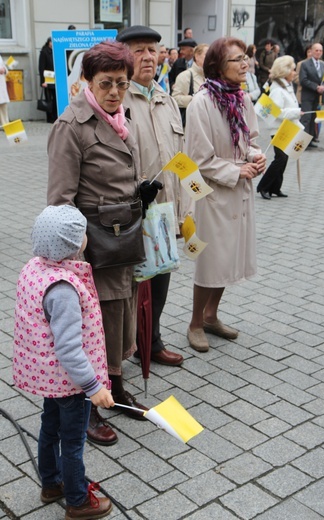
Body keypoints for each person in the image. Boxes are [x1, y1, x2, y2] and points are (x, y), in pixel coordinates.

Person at [47, 41, 159, 447]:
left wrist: (139, 195)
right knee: (96, 326)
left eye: (122, 84)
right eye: (106, 83)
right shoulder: (71, 126)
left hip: (124, 240)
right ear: (87, 82)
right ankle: (88, 406)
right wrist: (71, 263)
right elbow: (59, 201)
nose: (115, 92)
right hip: (92, 247)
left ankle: (116, 386)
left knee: (123, 317)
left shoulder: (119, 119)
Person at [12, 205, 114, 519]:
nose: (86, 236)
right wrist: (93, 386)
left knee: (49, 429)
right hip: (71, 382)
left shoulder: (35, 267)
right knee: (72, 442)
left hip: (50, 378)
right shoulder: (63, 289)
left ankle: (51, 483)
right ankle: (77, 500)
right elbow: (69, 349)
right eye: (82, 232)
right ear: (72, 245)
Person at [184, 37, 266, 352]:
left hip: (239, 193)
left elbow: (251, 140)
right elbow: (197, 159)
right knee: (211, 260)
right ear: (218, 66)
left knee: (229, 256)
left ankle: (211, 315)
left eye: (246, 57)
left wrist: (256, 156)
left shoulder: (241, 99)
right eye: (237, 59)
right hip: (212, 195)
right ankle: (194, 323)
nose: (245, 64)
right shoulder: (201, 103)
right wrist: (236, 171)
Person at [116, 25, 190, 367]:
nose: (148, 56)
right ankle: (122, 352)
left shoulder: (166, 99)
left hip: (163, 210)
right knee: (128, 288)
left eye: (153, 50)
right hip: (130, 212)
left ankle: (152, 340)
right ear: (123, 56)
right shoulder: (116, 100)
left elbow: (181, 157)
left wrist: (186, 208)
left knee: (161, 278)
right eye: (139, 50)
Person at [256, 56, 301, 200]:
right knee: (280, 159)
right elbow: (276, 111)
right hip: (278, 129)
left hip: (287, 127)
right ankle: (263, 186)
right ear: (285, 71)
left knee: (284, 158)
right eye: (293, 70)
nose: (294, 73)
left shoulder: (286, 85)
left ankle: (275, 188)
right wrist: (296, 112)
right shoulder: (277, 89)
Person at [172, 43, 209, 126]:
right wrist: (194, 99)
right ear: (197, 56)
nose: (210, 58)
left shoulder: (210, 77)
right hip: (191, 126)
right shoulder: (185, 76)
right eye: (206, 55)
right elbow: (175, 99)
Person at [299, 42, 324, 148]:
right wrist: (316, 87)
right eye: (317, 50)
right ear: (312, 51)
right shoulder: (305, 64)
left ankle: (310, 140)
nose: (318, 52)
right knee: (306, 118)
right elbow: (303, 80)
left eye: (320, 51)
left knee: (313, 118)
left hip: (317, 97)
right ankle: (302, 141)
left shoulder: (323, 64)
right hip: (308, 95)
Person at [38, 37, 58, 123]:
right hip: (47, 79)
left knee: (55, 98)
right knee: (49, 99)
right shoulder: (44, 52)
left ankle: (55, 116)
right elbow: (41, 67)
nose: (52, 44)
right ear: (48, 42)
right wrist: (43, 81)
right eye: (51, 42)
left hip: (55, 79)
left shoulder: (56, 51)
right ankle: (50, 118)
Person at [0, 54, 10, 128]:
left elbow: (3, 66)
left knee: (3, 104)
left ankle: (6, 123)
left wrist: (4, 70)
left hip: (1, 83)